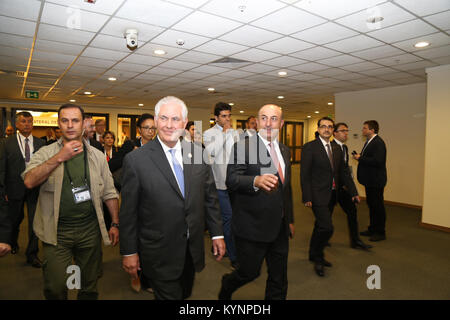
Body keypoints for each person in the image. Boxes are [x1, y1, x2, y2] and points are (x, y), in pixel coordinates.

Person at [120, 96, 225, 300]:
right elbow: (129, 212)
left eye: (175, 119)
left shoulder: (198, 155)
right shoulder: (136, 160)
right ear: (156, 120)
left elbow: (210, 198)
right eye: (164, 118)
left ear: (184, 123)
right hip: (158, 251)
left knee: (184, 294)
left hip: (190, 250)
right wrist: (129, 251)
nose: (169, 125)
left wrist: (217, 234)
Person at [22, 104, 119, 300]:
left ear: (83, 124)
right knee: (56, 286)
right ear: (59, 124)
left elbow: (109, 192)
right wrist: (59, 157)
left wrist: (115, 223)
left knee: (89, 285)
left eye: (75, 120)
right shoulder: (46, 152)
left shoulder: (97, 156)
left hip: (89, 230)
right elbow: (29, 181)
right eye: (64, 120)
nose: (70, 125)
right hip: (56, 231)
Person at [218, 104, 294, 300]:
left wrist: (290, 219)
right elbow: (231, 179)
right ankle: (228, 284)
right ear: (258, 121)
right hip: (252, 225)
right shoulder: (243, 146)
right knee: (249, 273)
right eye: (264, 118)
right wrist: (255, 181)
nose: (268, 123)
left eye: (274, 119)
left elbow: (287, 189)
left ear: (281, 123)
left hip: (279, 226)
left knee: (279, 277)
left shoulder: (285, 150)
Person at [301, 117, 359, 277]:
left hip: (334, 194)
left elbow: (344, 173)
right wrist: (307, 196)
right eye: (323, 126)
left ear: (332, 130)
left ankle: (313, 253)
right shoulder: (309, 148)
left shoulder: (337, 148)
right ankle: (318, 258)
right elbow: (304, 175)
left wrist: (353, 192)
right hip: (317, 194)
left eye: (329, 127)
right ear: (318, 129)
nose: (326, 129)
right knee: (327, 227)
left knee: (321, 225)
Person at [0, 111, 45, 267]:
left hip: (35, 189)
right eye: (24, 121)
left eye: (30, 121)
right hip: (14, 189)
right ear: (17, 124)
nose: (27, 124)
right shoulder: (6, 143)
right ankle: (13, 241)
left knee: (34, 222)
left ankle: (32, 254)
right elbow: (2, 169)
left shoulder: (41, 143)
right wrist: (3, 191)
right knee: (15, 219)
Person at [203, 102, 240, 270]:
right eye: (224, 116)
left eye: (229, 116)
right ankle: (233, 255)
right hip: (219, 184)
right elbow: (212, 154)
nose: (227, 119)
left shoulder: (236, 133)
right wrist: (225, 134)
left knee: (234, 219)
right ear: (216, 118)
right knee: (228, 218)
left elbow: (239, 155)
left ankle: (219, 243)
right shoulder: (208, 133)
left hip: (235, 183)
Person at [331, 123, 372, 250]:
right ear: (335, 133)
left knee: (352, 211)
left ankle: (355, 241)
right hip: (330, 189)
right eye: (342, 131)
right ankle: (320, 240)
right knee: (324, 218)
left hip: (342, 188)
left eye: (347, 130)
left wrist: (353, 192)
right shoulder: (329, 148)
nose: (346, 133)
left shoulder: (344, 148)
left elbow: (344, 171)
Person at [353, 120, 387, 242]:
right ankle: (372, 229)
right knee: (372, 205)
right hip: (370, 180)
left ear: (372, 130)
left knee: (377, 206)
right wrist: (361, 157)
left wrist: (360, 158)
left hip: (376, 180)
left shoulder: (378, 143)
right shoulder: (370, 142)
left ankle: (380, 232)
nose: (363, 130)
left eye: (365, 128)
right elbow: (370, 158)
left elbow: (378, 161)